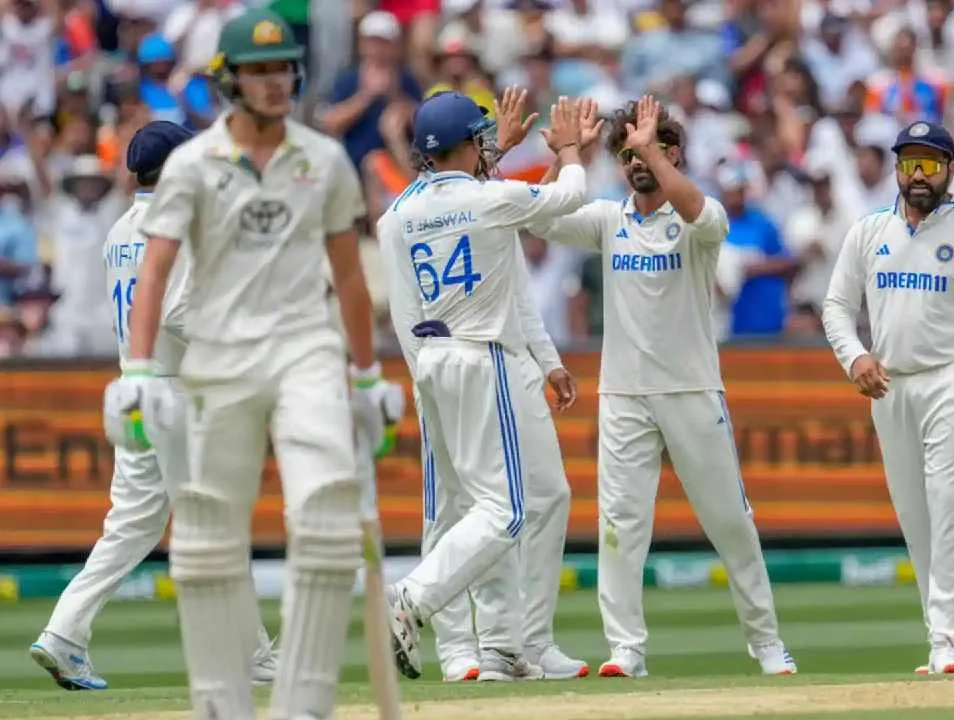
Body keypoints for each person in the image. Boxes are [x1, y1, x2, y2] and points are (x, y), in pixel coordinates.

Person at [105, 11, 403, 719]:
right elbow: (155, 273)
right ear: (228, 81)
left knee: (326, 518)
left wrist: (366, 376)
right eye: (257, 71)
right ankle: (222, 705)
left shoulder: (323, 160)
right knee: (206, 535)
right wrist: (138, 372)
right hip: (220, 361)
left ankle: (303, 703)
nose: (273, 83)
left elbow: (349, 276)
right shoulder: (192, 167)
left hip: (304, 354)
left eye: (281, 69)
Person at [526, 96, 796, 678]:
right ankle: (627, 649)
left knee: (730, 521)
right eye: (627, 153)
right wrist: (568, 156)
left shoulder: (699, 216)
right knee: (620, 527)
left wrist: (650, 148)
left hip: (692, 389)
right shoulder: (608, 219)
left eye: (650, 150)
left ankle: (768, 642)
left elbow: (704, 217)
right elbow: (539, 217)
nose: (637, 161)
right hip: (624, 395)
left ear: (673, 154)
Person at [28, 121, 277, 692]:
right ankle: (252, 657)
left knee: (133, 525)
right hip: (179, 390)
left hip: (136, 386)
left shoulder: (119, 228)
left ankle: (63, 633)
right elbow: (180, 314)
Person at [377, 90, 588, 682]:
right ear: (469, 144)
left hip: (438, 359)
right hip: (481, 357)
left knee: (526, 498)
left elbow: (407, 310)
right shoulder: (489, 199)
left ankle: (504, 645)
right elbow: (569, 196)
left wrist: (426, 375)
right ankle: (415, 600)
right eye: (482, 139)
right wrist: (571, 149)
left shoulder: (399, 214)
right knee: (501, 508)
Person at [822, 120, 954, 675]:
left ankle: (946, 640)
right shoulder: (869, 230)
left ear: (950, 171)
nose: (919, 175)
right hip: (891, 384)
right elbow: (836, 306)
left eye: (931, 164)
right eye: (909, 163)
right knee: (916, 518)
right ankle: (953, 644)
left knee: (952, 510)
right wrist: (855, 357)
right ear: (896, 169)